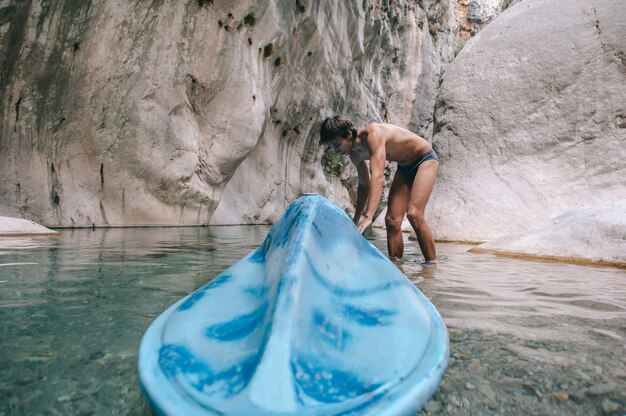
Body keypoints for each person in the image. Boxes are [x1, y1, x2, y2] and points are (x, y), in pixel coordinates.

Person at [320, 115, 439, 264]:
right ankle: (396, 266)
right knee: (391, 221)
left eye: (337, 145)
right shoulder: (354, 155)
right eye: (333, 148)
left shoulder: (373, 134)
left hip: (424, 159)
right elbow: (364, 186)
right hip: (404, 167)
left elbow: (377, 177)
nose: (337, 151)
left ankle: (432, 266)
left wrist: (368, 217)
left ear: (349, 135)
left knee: (414, 214)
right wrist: (356, 220)